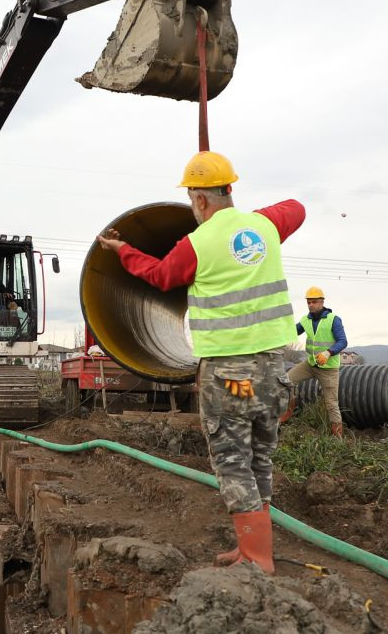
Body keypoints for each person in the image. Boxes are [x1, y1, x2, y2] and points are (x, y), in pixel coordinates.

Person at [96, 150, 304, 574]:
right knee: (259, 458)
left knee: (231, 461)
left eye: (193, 200)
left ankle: (258, 557)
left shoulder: (197, 244)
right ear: (230, 189)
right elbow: (297, 209)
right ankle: (250, 548)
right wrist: (253, 219)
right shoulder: (265, 226)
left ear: (201, 200)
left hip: (229, 374)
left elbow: (159, 276)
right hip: (272, 370)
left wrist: (121, 249)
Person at [288, 286, 348, 438]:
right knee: (286, 381)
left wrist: (328, 353)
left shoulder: (333, 319)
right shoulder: (306, 320)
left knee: (331, 404)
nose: (311, 305)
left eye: (314, 302)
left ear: (322, 302)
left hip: (328, 368)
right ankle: (286, 414)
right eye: (309, 302)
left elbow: (343, 341)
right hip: (310, 364)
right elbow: (292, 331)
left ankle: (337, 439)